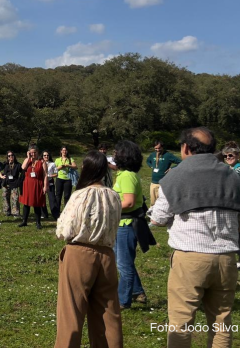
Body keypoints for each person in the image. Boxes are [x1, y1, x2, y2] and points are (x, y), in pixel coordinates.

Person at [149, 128, 240, 347]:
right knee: (221, 323)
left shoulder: (176, 175)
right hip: (226, 258)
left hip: (190, 257)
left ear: (186, 148)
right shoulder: (233, 176)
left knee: (181, 323)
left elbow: (157, 218)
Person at [55, 151, 123, 348]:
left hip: (80, 254)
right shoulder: (114, 197)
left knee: (71, 314)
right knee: (109, 315)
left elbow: (65, 229)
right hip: (107, 255)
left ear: (86, 169)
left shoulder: (80, 195)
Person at [112, 140, 147, 309]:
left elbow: (129, 202)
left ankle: (122, 301)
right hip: (122, 224)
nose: (113, 155)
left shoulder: (126, 176)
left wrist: (108, 207)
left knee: (123, 264)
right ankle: (137, 291)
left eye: (116, 152)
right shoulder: (126, 174)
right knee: (123, 261)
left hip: (126, 225)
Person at [219, 142, 240, 270]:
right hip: (232, 201)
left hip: (238, 202)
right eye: (226, 156)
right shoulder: (232, 168)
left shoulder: (239, 169)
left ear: (238, 155)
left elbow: (236, 188)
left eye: (231, 155)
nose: (228, 158)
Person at [19, 145, 47, 230]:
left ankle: (38, 222)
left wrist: (45, 186)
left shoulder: (42, 162)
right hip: (27, 183)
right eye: (31, 152)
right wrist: (28, 158)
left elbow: (45, 175)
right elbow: (23, 168)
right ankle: (24, 221)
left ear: (37, 153)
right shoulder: (27, 161)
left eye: (35, 152)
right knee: (26, 203)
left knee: (37, 203)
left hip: (38, 184)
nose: (33, 154)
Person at [145, 140, 180, 206]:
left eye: (159, 148)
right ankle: (152, 215)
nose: (157, 150)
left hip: (164, 183)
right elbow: (148, 161)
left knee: (163, 203)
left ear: (162, 147)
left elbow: (180, 162)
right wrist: (151, 166)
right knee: (153, 202)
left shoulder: (168, 155)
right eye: (156, 148)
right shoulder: (152, 155)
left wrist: (171, 168)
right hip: (154, 182)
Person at [54, 146, 77, 215]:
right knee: (58, 195)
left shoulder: (70, 159)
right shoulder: (57, 160)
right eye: (63, 150)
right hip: (59, 179)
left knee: (67, 196)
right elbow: (54, 169)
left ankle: (66, 211)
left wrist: (68, 165)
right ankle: (57, 211)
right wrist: (60, 167)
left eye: (65, 150)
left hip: (68, 179)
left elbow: (75, 167)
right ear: (61, 151)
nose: (64, 152)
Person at [44, 151, 59, 219]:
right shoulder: (39, 163)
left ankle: (55, 214)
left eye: (47, 155)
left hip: (50, 182)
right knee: (42, 199)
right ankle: (44, 214)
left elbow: (56, 173)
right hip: (42, 183)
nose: (46, 156)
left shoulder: (52, 164)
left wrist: (50, 175)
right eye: (45, 155)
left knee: (52, 199)